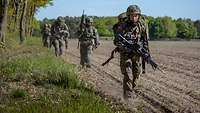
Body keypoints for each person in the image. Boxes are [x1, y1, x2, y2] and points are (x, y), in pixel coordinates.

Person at [113, 5, 149, 98]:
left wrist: (146, 53)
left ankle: (131, 89)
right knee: (128, 75)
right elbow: (117, 41)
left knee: (137, 74)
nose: (134, 17)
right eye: (132, 15)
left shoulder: (142, 25)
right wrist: (127, 48)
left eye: (136, 15)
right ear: (128, 16)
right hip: (126, 54)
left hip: (137, 54)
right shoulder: (122, 26)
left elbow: (145, 41)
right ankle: (128, 97)